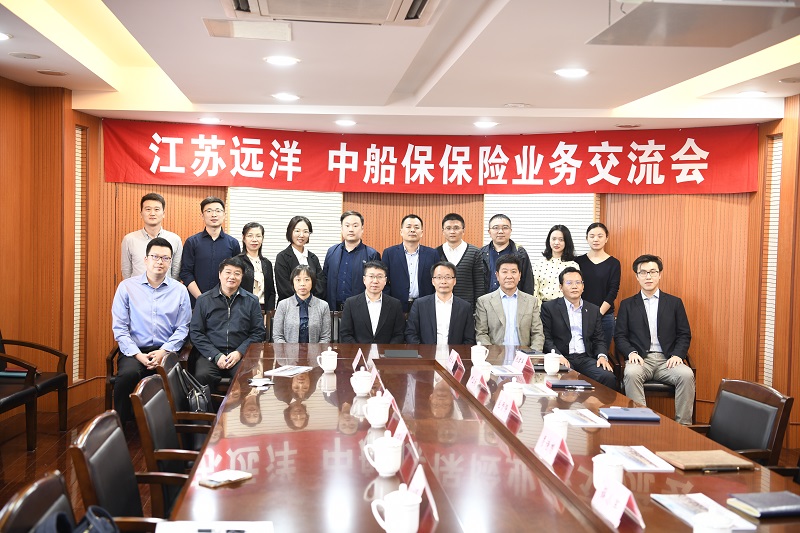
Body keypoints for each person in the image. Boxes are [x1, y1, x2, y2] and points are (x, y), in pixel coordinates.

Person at [111, 237, 191, 425]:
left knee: (172, 378)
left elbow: (183, 328)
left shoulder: (180, 290)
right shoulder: (126, 287)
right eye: (155, 257)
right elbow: (120, 328)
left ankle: (168, 428)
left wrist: (163, 351)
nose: (160, 262)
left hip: (167, 350)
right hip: (135, 351)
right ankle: (120, 427)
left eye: (165, 258)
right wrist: (139, 355)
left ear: (170, 262)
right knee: (127, 375)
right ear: (146, 259)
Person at [615, 254, 694, 425]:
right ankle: (641, 424)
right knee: (631, 373)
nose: (648, 277)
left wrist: (678, 355)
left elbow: (684, 334)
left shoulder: (674, 303)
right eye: (643, 272)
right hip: (641, 360)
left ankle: (684, 426)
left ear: (660, 275)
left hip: (668, 360)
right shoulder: (627, 304)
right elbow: (620, 335)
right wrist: (631, 352)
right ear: (637, 276)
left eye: (653, 272)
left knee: (687, 375)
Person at [189, 257, 266, 389]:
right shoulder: (204, 300)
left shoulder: (252, 301)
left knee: (246, 377)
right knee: (202, 375)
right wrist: (216, 355)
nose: (232, 277)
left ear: (242, 277)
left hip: (239, 355)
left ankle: (238, 404)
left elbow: (258, 332)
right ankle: (207, 404)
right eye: (228, 272)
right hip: (210, 355)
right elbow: (196, 333)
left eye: (237, 273)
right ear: (220, 274)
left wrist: (239, 352)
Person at [540, 267, 617, 390]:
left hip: (585, 358)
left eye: (578, 282)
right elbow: (546, 338)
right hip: (563, 357)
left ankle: (595, 403)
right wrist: (557, 356)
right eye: (569, 283)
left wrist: (602, 356)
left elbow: (599, 339)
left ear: (583, 286)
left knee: (608, 377)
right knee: (565, 380)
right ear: (561, 287)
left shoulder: (593, 310)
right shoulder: (549, 308)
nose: (574, 286)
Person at [180, 196, 241, 305]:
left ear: (224, 215)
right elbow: (186, 273)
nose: (214, 214)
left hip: (225, 303)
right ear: (202, 216)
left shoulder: (233, 243)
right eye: (209, 211)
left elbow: (236, 273)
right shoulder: (192, 242)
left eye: (218, 211)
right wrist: (201, 299)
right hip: (196, 302)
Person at [475, 255, 544, 349]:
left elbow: (537, 333)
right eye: (504, 272)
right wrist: (492, 354)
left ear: (519, 275)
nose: (509, 276)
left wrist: (532, 354)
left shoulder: (531, 301)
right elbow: (481, 333)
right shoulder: (484, 302)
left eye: (513, 272)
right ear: (497, 275)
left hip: (524, 355)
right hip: (495, 354)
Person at [405, 261, 476, 345]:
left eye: (448, 277)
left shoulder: (465, 307)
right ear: (433, 281)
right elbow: (411, 334)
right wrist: (423, 351)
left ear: (454, 281)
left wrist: (457, 353)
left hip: (455, 352)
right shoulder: (420, 305)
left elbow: (469, 338)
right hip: (426, 352)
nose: (443, 281)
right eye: (439, 277)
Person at [322, 211, 381, 311]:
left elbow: (376, 285)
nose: (351, 229)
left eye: (355, 226)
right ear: (342, 229)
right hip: (333, 310)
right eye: (347, 225)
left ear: (362, 229)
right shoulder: (332, 252)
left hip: (360, 310)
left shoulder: (372, 254)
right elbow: (324, 279)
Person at [575, 223, 621, 348]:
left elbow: (613, 291)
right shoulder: (578, 262)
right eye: (592, 236)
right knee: (580, 351)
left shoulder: (614, 263)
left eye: (600, 236)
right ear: (586, 238)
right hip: (580, 314)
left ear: (606, 238)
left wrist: (598, 314)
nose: (596, 239)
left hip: (605, 316)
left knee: (601, 353)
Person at [382, 214, 439, 312]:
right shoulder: (389, 253)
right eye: (408, 227)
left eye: (416, 227)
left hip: (425, 306)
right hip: (396, 306)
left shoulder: (432, 254)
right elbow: (384, 280)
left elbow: (437, 279)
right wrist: (389, 301)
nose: (412, 230)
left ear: (421, 233)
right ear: (401, 231)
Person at [339, 261, 405, 344]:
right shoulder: (351, 303)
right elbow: (345, 334)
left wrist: (386, 350)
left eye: (379, 277)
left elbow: (399, 334)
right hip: (358, 351)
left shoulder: (395, 304)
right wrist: (359, 350)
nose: (375, 281)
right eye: (371, 276)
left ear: (385, 280)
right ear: (364, 279)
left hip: (385, 351)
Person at [120, 192, 183, 280]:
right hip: (137, 288)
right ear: (141, 213)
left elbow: (176, 272)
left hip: (166, 288)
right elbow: (126, 271)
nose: (152, 213)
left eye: (156, 209)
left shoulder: (175, 239)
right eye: (148, 209)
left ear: (163, 213)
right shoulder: (129, 239)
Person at [435, 213, 485, 310]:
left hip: (467, 308)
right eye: (448, 228)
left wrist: (477, 309)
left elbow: (479, 284)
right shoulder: (436, 252)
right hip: (441, 306)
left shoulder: (474, 252)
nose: (452, 231)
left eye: (456, 228)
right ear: (443, 231)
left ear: (463, 231)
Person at [273, 265, 332, 343]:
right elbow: (277, 336)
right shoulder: (283, 305)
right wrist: (289, 350)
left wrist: (315, 350)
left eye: (307, 280)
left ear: (313, 282)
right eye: (298, 280)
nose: (302, 284)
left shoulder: (323, 306)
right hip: (288, 350)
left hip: (315, 350)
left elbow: (325, 337)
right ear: (292, 282)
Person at [274, 216, 325, 303]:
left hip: (313, 305)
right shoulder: (282, 257)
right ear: (290, 232)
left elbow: (320, 284)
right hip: (289, 306)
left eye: (305, 231)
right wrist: (302, 300)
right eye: (297, 231)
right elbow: (284, 288)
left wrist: (310, 301)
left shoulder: (313, 258)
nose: (301, 235)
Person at [479, 214, 533, 295]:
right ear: (489, 232)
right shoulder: (481, 253)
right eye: (496, 228)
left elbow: (528, 282)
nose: (500, 231)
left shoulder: (520, 253)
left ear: (510, 230)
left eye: (505, 228)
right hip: (486, 300)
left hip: (514, 299)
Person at [533, 224, 580, 303]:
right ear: (549, 240)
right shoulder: (539, 264)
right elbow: (535, 290)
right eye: (553, 239)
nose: (556, 243)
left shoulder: (573, 265)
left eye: (561, 240)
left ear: (566, 242)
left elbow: (575, 290)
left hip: (566, 306)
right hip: (543, 306)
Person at [237, 222, 276, 313]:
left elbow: (271, 291)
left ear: (262, 238)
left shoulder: (267, 263)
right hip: (242, 311)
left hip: (262, 310)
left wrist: (269, 312)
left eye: (258, 236)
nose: (254, 240)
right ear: (243, 238)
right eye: (250, 236)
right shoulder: (237, 262)